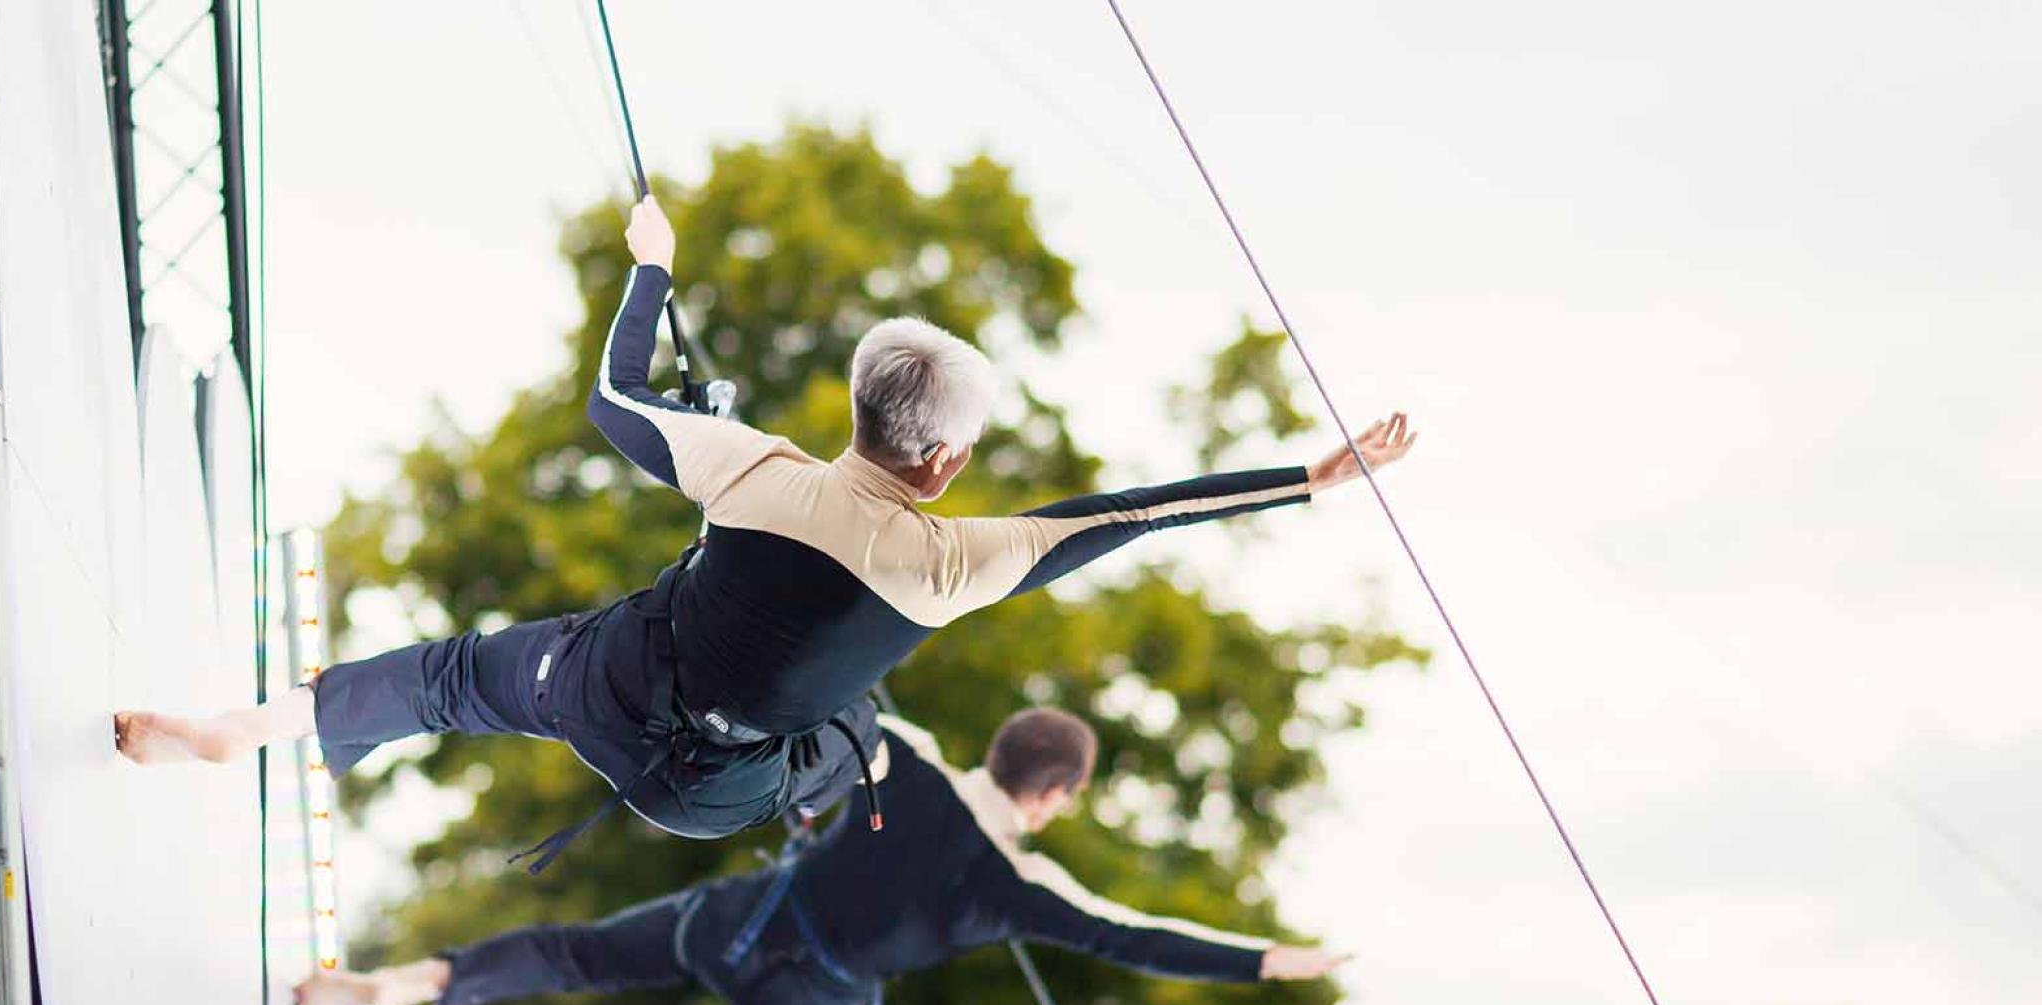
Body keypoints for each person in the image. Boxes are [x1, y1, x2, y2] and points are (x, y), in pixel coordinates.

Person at [114, 197, 1418, 857]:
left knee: (449, 680)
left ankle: (237, 728)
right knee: (860, 736)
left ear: (859, 406)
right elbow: (1131, 513)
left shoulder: (754, 467)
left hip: (607, 689)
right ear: (949, 457)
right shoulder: (958, 560)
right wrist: (1309, 477)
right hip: (718, 792)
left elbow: (614, 396)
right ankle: (817, 822)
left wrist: (652, 261)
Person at [292, 707, 1347, 1005]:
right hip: (805, 1003)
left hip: (745, 921)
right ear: (1057, 794)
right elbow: (1139, 935)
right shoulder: (1027, 886)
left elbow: (832, 709)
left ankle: (415, 983)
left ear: (998, 754)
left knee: (583, 954)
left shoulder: (911, 748)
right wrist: (1275, 962)